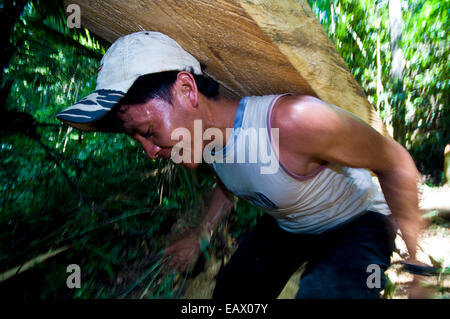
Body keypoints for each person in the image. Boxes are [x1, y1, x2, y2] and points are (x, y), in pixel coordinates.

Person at [57, 31, 427, 299]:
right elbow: (227, 184)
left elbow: (396, 163)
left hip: (357, 222)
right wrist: (202, 234)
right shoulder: (205, 142)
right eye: (136, 139)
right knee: (232, 296)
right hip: (291, 225)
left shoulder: (291, 122)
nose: (149, 151)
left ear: (186, 90)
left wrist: (418, 271)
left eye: (148, 130)